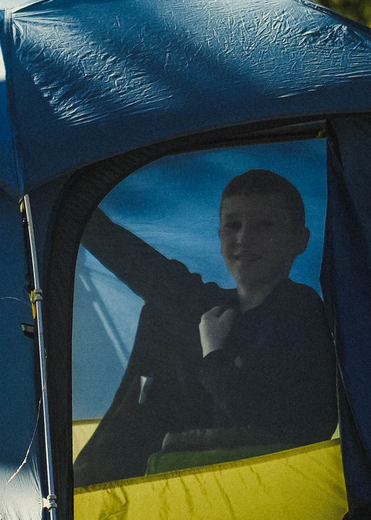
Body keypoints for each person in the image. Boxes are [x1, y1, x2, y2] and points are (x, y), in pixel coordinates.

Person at [70, 168, 338, 485]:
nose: (244, 238)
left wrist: (214, 354)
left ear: (299, 240)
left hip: (248, 480)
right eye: (232, 226)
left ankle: (105, 474)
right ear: (219, 236)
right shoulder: (209, 305)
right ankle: (96, 472)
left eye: (265, 225)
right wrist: (75, 209)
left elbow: (271, 416)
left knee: (170, 307)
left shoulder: (300, 308)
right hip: (178, 462)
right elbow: (143, 267)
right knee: (163, 304)